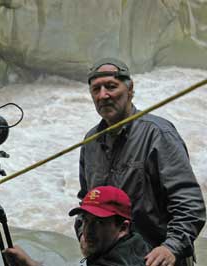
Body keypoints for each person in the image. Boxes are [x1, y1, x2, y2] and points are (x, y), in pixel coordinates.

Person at [78, 58, 206, 266]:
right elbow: (86, 199)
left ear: (130, 89)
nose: (103, 95)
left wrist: (171, 247)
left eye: (111, 86)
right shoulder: (91, 141)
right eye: (96, 89)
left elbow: (189, 203)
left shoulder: (159, 134)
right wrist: (82, 234)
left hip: (156, 260)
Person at [3, 186, 151, 266]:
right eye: (86, 220)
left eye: (99, 222)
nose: (88, 231)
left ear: (123, 228)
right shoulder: (139, 245)